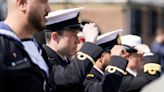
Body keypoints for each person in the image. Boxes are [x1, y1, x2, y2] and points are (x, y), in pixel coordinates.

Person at [43, 7, 105, 92]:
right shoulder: (42, 59)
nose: (78, 41)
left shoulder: (66, 62)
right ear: (55, 37)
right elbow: (72, 77)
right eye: (73, 35)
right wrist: (89, 43)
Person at [0, 0, 51, 92]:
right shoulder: (2, 45)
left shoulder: (38, 48)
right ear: (22, 4)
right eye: (43, 2)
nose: (49, 9)